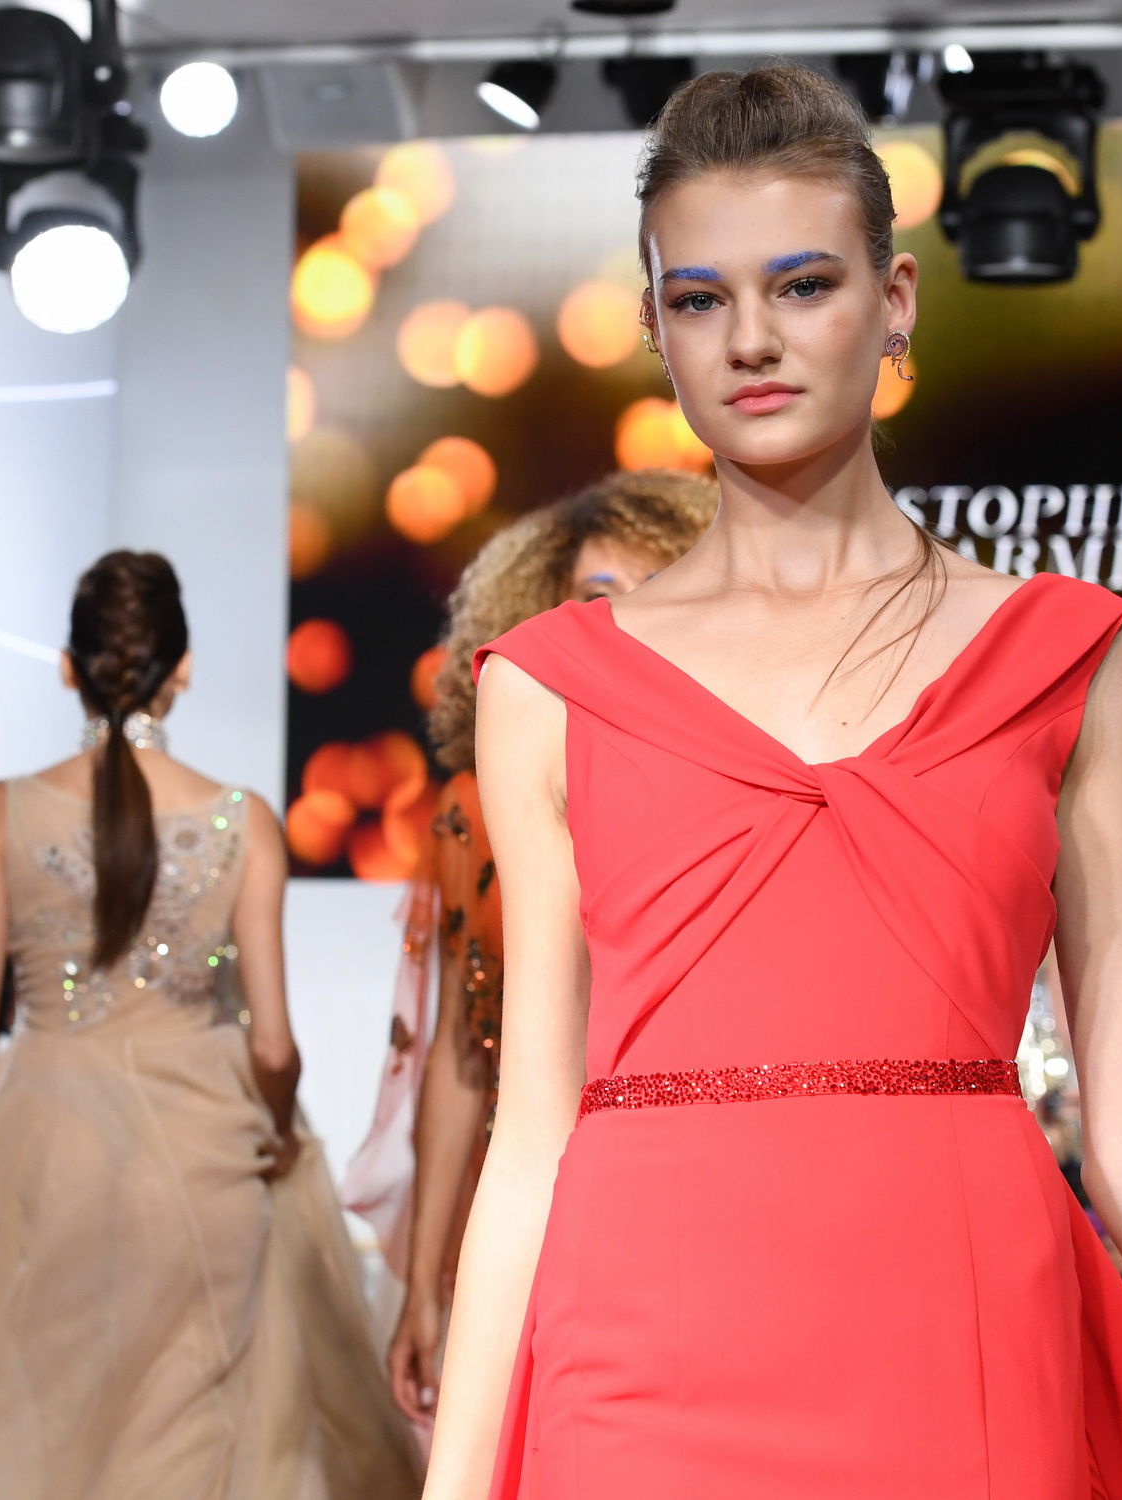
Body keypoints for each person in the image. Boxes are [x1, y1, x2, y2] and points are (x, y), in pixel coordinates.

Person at [422, 67, 1122, 1500]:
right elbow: (532, 1137)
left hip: (962, 1337)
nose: (750, 340)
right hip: (641, 1360)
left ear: (895, 301)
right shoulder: (547, 687)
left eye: (803, 285)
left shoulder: (1064, 657)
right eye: (698, 299)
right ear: (652, 328)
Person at [0, 551, 419, 1499]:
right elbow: (273, 1046)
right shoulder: (244, 823)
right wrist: (281, 1134)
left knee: (41, 1439)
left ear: (67, 666)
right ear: (184, 669)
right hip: (207, 1153)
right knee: (193, 1447)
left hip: (45, 1150)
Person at [339, 469, 717, 1423]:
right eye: (599, 594)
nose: (626, 617)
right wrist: (427, 1279)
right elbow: (462, 1056)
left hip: (703, 1193)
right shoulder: (477, 812)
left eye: (656, 586)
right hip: (535, 1204)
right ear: (545, 613)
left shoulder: (746, 800)